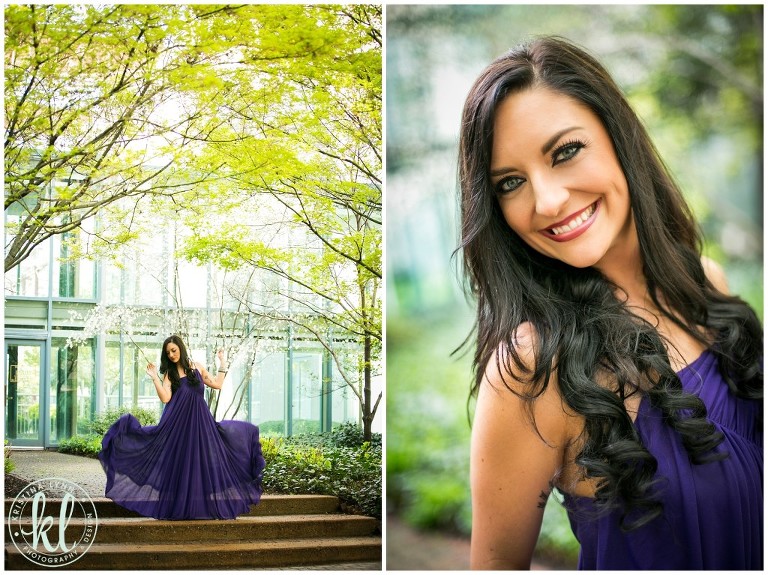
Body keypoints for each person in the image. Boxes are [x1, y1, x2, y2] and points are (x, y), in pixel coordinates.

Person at [458, 36, 762, 570]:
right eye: (510, 182)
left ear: (619, 138)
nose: (547, 201)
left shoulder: (705, 283)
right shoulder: (534, 365)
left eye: (566, 152)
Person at [99, 335, 266, 520]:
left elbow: (217, 384)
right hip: (177, 425)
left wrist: (222, 362)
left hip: (201, 423)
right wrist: (155, 377)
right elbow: (165, 398)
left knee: (200, 462)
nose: (171, 355)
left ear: (181, 348)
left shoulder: (197, 366)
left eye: (174, 350)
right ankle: (180, 506)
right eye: (168, 352)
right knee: (181, 463)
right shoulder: (169, 374)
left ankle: (197, 505)